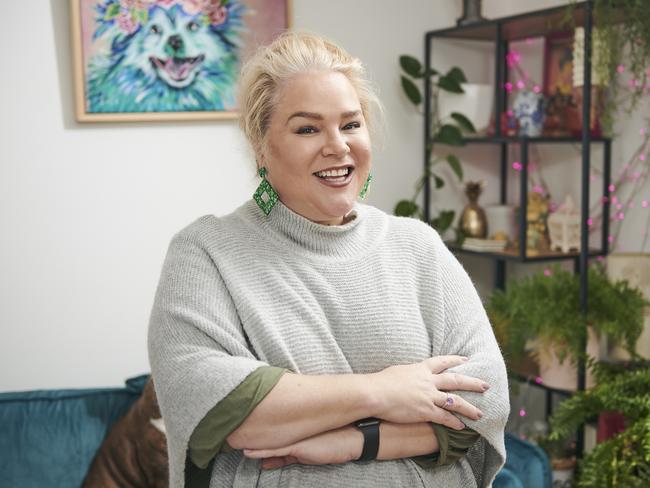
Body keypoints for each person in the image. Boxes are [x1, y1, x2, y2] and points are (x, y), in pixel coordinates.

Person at [148, 31, 509, 488]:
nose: (337, 146)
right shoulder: (205, 253)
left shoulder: (417, 246)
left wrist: (355, 442)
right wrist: (385, 391)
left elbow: (486, 399)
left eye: (351, 124)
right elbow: (225, 411)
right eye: (307, 128)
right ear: (261, 145)